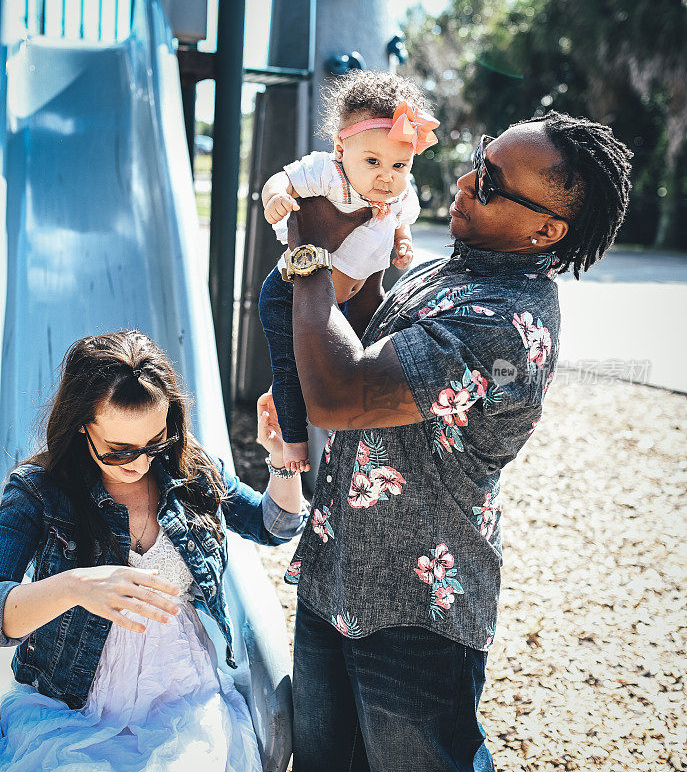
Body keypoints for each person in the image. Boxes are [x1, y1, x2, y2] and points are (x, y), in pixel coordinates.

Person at [281, 111, 633, 771]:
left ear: (544, 230)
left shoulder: (503, 324)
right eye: (480, 158)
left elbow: (340, 394)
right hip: (337, 576)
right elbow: (364, 342)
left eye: (493, 184)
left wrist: (311, 255)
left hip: (416, 614)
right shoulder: (454, 270)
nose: (467, 181)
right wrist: (365, 256)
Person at [0, 330, 307, 772]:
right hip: (73, 700)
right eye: (119, 451)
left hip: (180, 693)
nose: (141, 463)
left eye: (154, 442)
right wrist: (74, 587)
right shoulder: (39, 491)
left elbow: (273, 526)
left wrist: (282, 459)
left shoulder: (189, 469)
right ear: (81, 425)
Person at [258, 71, 439, 472]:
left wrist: (402, 241)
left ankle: (330, 441)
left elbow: (402, 218)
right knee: (289, 368)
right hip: (290, 292)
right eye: (372, 161)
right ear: (341, 147)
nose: (386, 175)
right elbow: (280, 179)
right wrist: (276, 198)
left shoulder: (397, 192)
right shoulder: (328, 174)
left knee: (334, 368)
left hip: (345, 299)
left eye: (399, 164)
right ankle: (293, 446)